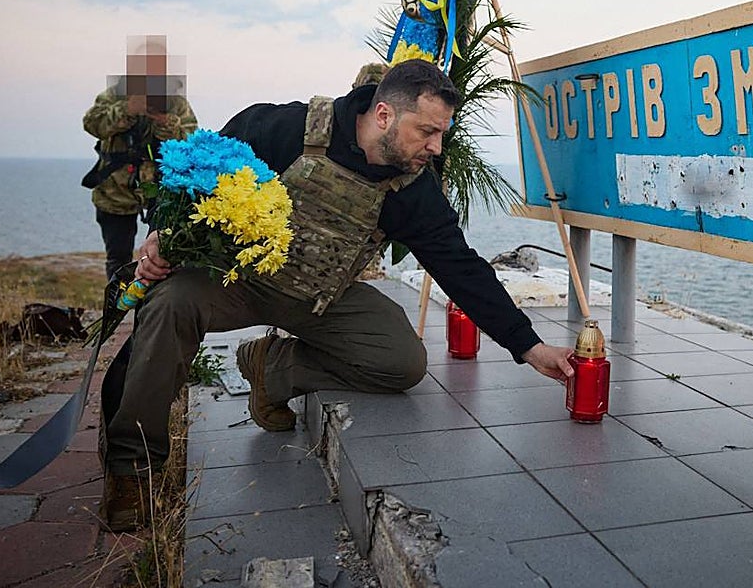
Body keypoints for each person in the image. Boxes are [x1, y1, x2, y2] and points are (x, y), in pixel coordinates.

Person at [99, 59, 575, 530]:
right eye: (427, 131)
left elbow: (461, 268)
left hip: (319, 296)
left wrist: (528, 346)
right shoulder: (283, 129)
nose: (435, 146)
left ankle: (273, 367)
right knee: (168, 304)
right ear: (384, 114)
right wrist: (161, 233)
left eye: (441, 134)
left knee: (402, 361)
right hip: (235, 280)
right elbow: (192, 173)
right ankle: (132, 470)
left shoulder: (412, 189)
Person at [82, 36, 197, 282]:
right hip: (115, 192)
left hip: (161, 192)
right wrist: (127, 110)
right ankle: (118, 301)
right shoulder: (115, 96)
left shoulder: (175, 102)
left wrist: (166, 122)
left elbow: (190, 141)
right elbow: (92, 124)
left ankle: (151, 302)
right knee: (118, 259)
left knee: (161, 256)